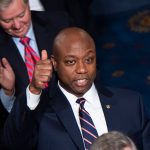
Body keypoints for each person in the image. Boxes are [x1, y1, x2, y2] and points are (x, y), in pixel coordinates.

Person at [3, 27, 150, 150]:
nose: (81, 69)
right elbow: (13, 143)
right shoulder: (41, 115)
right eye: (71, 61)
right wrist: (34, 90)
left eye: (88, 60)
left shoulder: (131, 104)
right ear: (54, 63)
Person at [0, 0, 69, 138]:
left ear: (28, 5)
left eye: (21, 15)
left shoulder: (59, 22)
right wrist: (8, 92)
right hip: (28, 131)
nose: (17, 25)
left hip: (68, 113)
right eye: (7, 20)